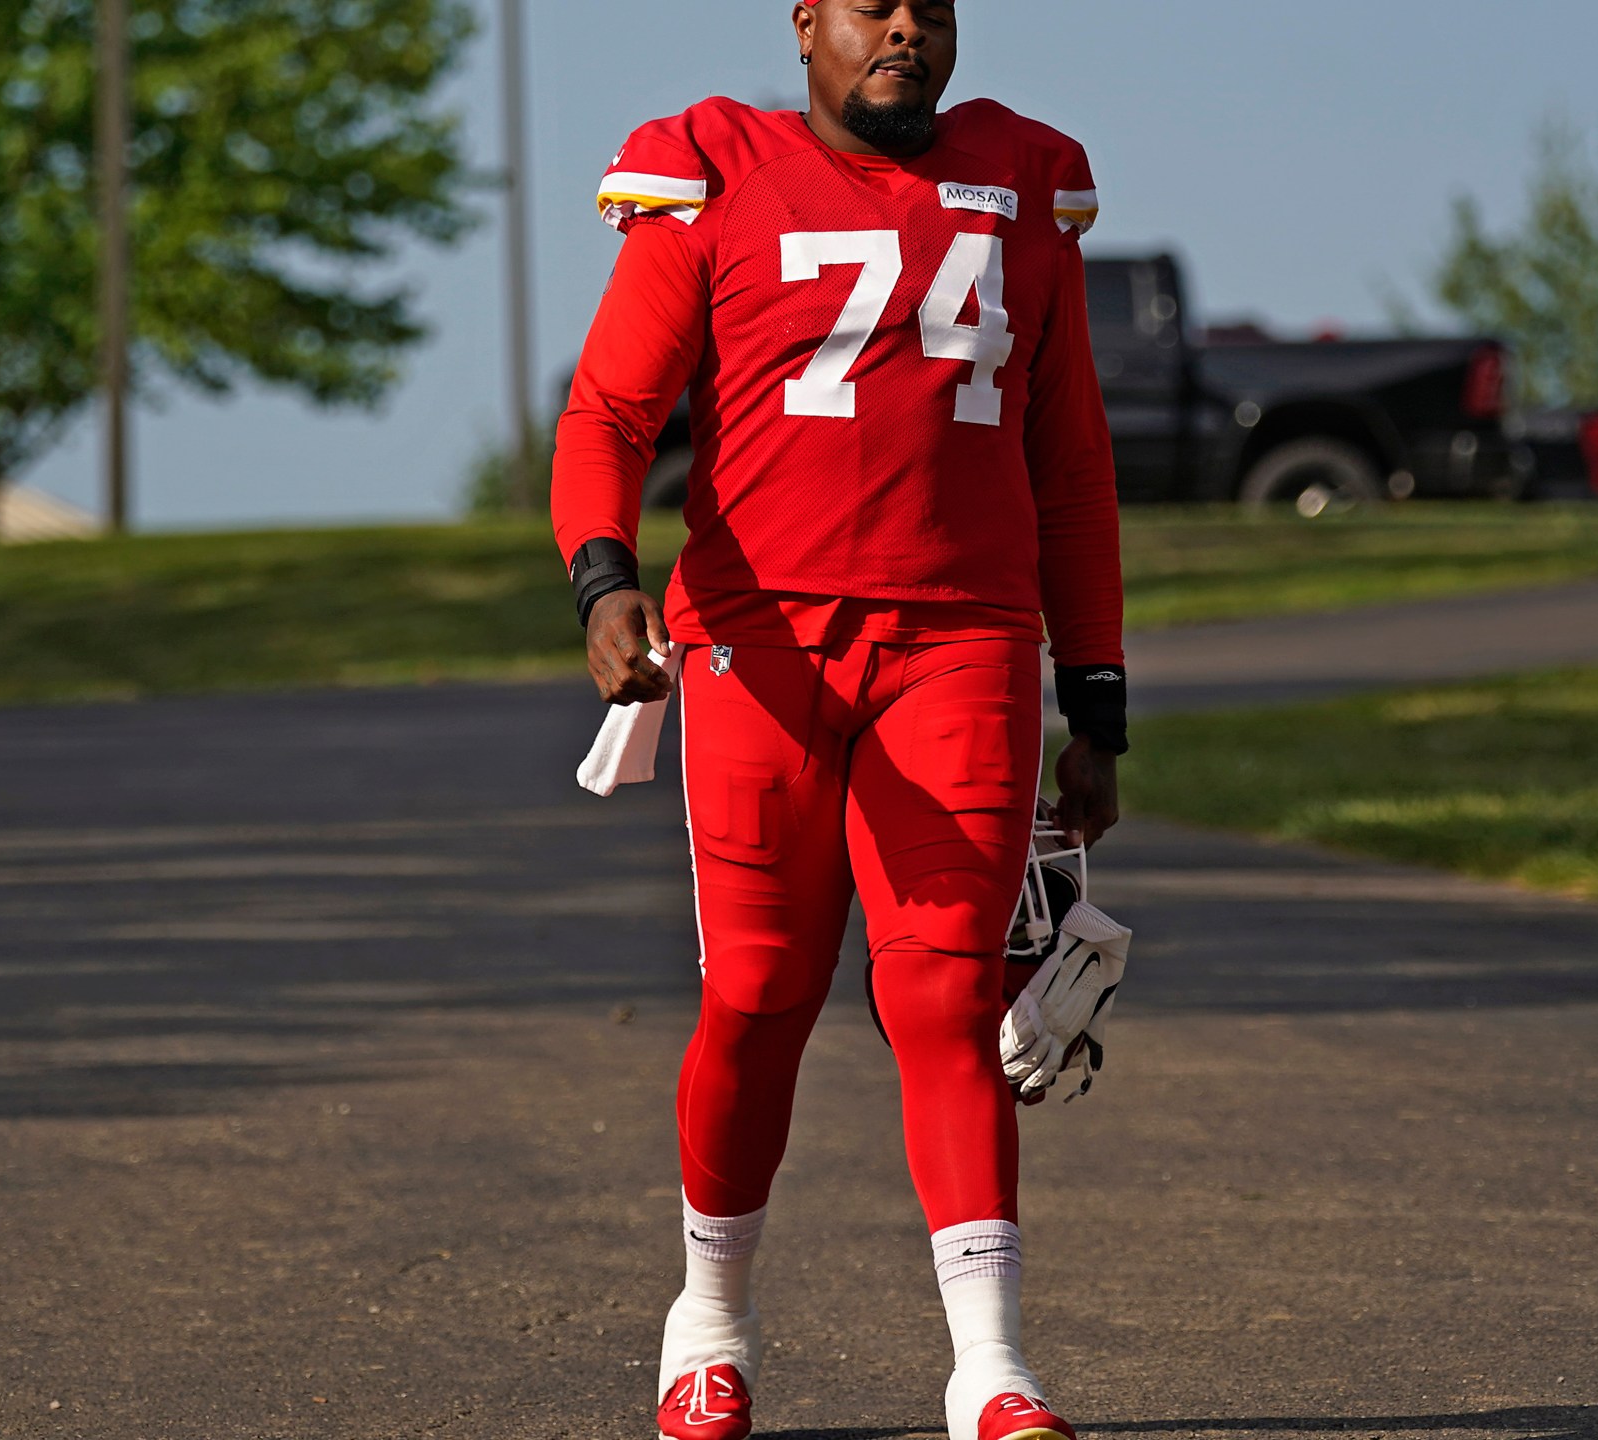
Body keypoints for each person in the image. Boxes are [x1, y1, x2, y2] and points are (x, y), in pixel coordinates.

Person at [550, 5, 1128, 1439]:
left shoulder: (1021, 183)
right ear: (804, 23)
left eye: (929, 5)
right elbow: (610, 411)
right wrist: (603, 583)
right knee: (759, 993)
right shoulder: (713, 173)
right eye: (872, 4)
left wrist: (1098, 691)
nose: (905, 30)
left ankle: (991, 1368)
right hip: (763, 643)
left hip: (963, 641)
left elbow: (1070, 463)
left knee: (944, 996)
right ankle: (711, 1321)